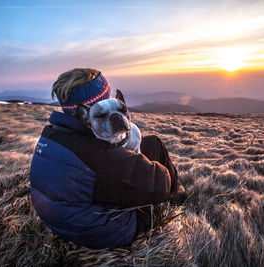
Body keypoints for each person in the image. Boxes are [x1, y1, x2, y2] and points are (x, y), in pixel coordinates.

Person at [29, 68, 184, 248]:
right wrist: (142, 166)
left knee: (152, 143)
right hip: (109, 230)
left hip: (62, 219)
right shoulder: (101, 158)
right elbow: (159, 183)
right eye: (103, 110)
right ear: (84, 113)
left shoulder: (53, 133)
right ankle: (176, 196)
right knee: (161, 177)